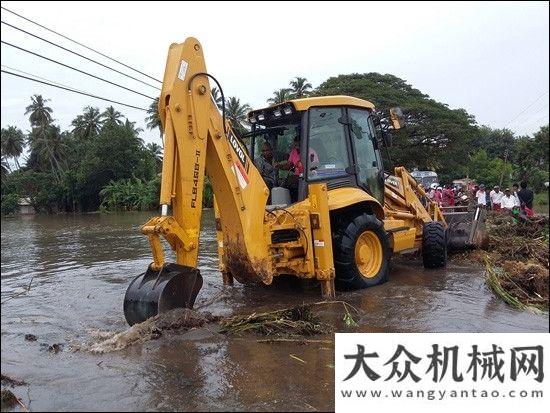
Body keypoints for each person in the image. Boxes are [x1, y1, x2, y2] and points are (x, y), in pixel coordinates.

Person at [275, 133, 318, 202]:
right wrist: (280, 166)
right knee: (286, 182)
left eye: (298, 145)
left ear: (304, 144)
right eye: (295, 145)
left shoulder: (310, 151)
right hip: (297, 177)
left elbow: (314, 166)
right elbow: (289, 165)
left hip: (308, 177)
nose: (296, 147)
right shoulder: (293, 152)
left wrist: (304, 166)